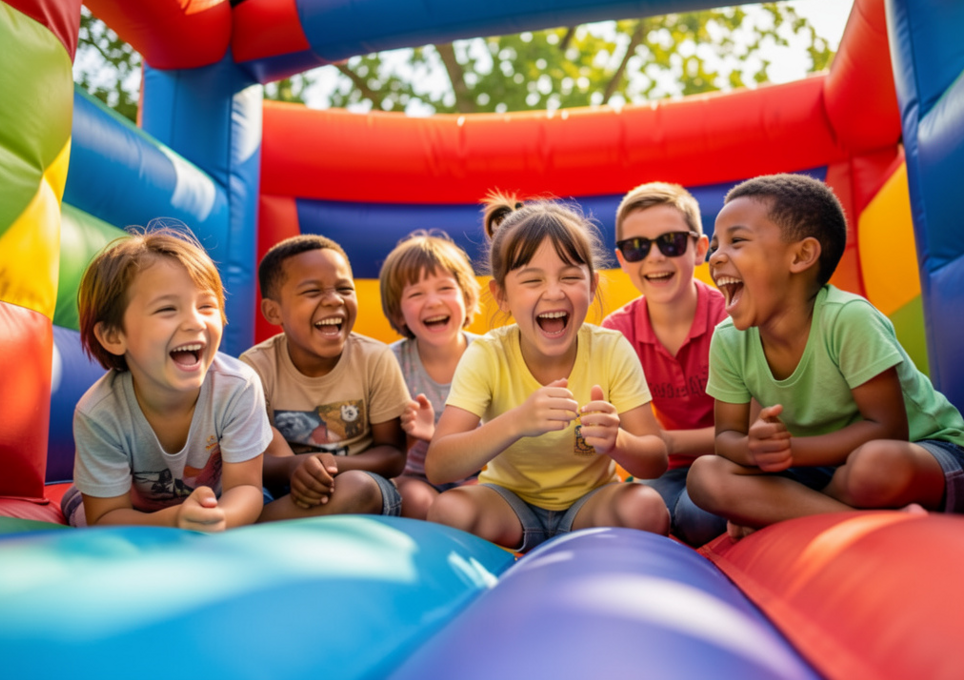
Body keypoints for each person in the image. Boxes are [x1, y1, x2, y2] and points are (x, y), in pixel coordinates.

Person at [687, 174, 964, 539]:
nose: (716, 256)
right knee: (705, 475)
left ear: (801, 256)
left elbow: (888, 430)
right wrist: (752, 450)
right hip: (822, 469)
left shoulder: (847, 318)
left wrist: (788, 455)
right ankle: (862, 520)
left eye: (736, 241)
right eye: (716, 245)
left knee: (875, 465)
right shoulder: (729, 339)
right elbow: (726, 438)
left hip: (925, 454)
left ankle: (789, 512)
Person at [425, 194, 669, 552]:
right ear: (501, 295)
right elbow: (439, 466)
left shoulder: (611, 348)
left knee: (646, 507)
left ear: (592, 286)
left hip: (589, 505)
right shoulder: (488, 354)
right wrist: (516, 422)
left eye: (569, 277)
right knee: (448, 510)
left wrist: (618, 441)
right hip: (509, 506)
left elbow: (656, 459)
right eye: (532, 280)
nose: (554, 292)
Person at [62, 227, 269, 531]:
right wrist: (176, 520)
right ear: (113, 335)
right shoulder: (99, 413)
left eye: (206, 306)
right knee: (85, 523)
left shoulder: (238, 387)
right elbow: (106, 517)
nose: (196, 322)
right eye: (167, 309)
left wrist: (220, 519)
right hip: (134, 514)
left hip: (215, 502)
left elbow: (245, 488)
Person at [239, 234, 410, 521]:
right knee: (243, 485)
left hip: (356, 485)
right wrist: (292, 468)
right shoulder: (255, 367)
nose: (334, 300)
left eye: (345, 288)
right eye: (312, 291)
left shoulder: (375, 358)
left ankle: (250, 528)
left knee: (359, 487)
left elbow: (393, 455)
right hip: (283, 488)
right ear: (273, 311)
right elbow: (246, 458)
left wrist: (324, 467)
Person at [602, 182, 729, 546]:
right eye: (637, 247)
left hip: (729, 458)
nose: (655, 257)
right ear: (622, 260)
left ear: (700, 249)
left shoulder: (729, 318)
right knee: (640, 512)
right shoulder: (617, 332)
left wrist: (666, 441)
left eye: (670, 242)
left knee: (700, 515)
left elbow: (750, 430)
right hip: (666, 469)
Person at [378, 231, 483, 519]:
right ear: (398, 313)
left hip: (479, 475)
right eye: (416, 294)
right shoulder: (390, 363)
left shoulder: (488, 356)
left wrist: (436, 436)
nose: (433, 302)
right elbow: (384, 450)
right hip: (417, 477)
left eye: (445, 288)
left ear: (466, 297)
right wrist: (412, 437)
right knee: (413, 499)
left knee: (478, 498)